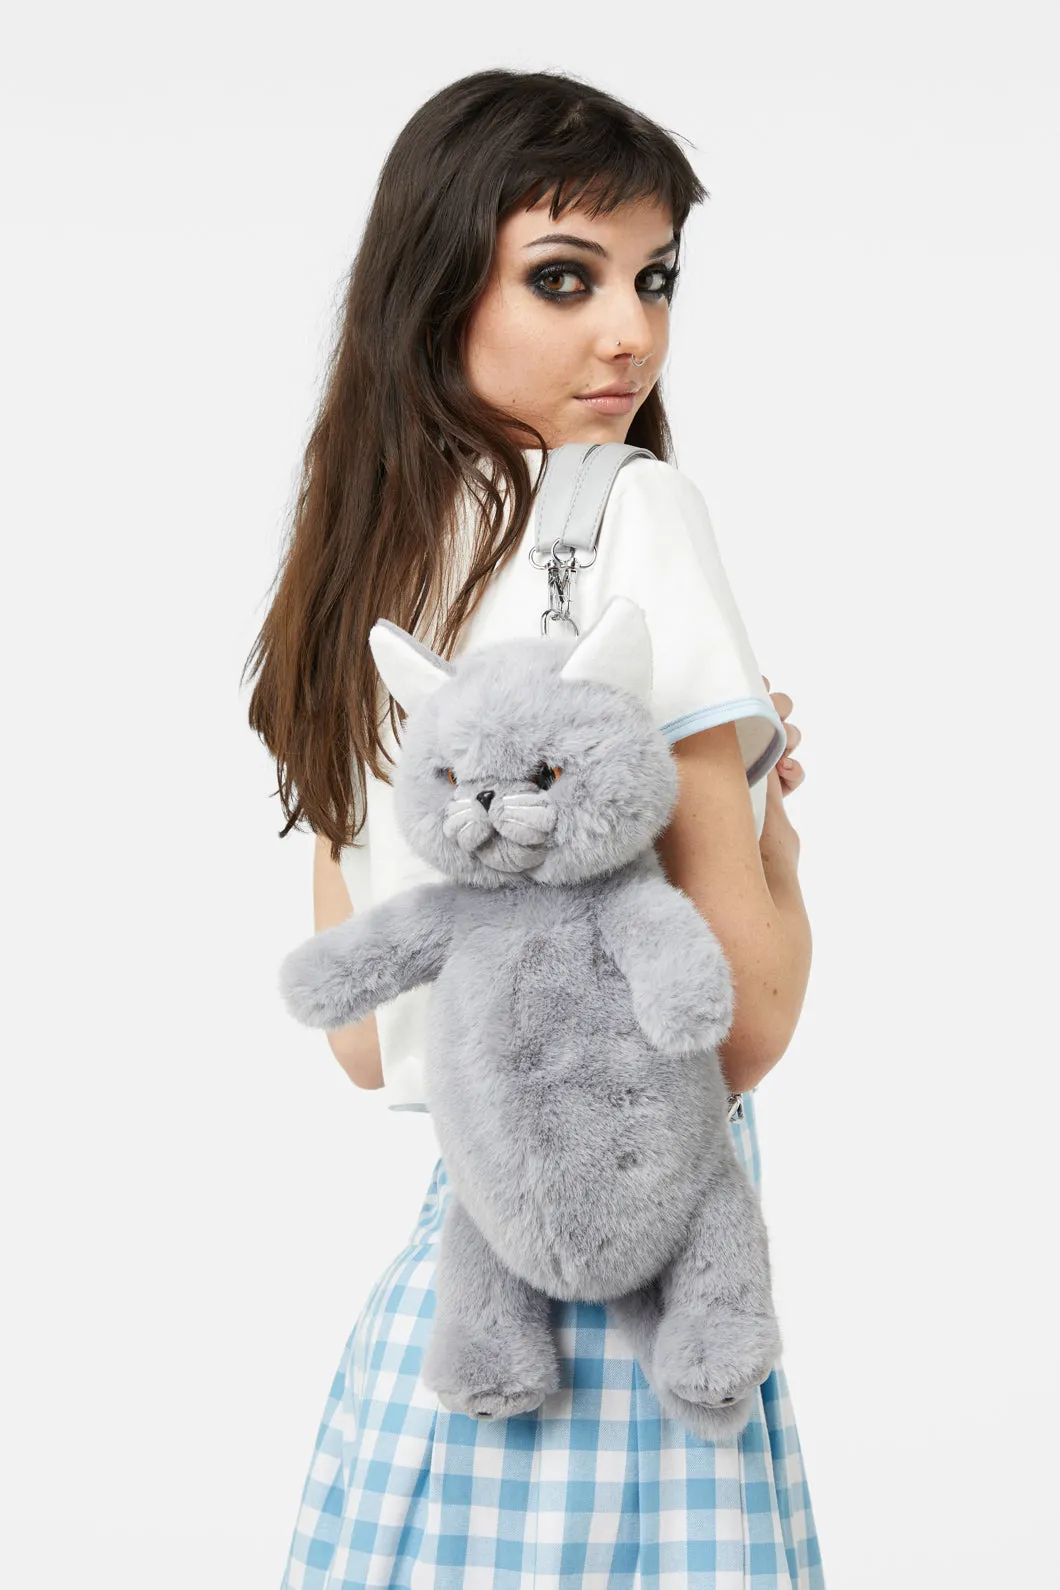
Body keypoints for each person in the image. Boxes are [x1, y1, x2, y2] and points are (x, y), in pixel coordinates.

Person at [245, 67, 823, 1590]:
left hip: (456, 1330)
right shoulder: (631, 513)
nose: (630, 332)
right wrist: (773, 824)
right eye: (564, 278)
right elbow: (745, 1019)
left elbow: (366, 1045)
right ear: (438, 282)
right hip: (645, 1323)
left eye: (654, 278)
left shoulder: (359, 568)